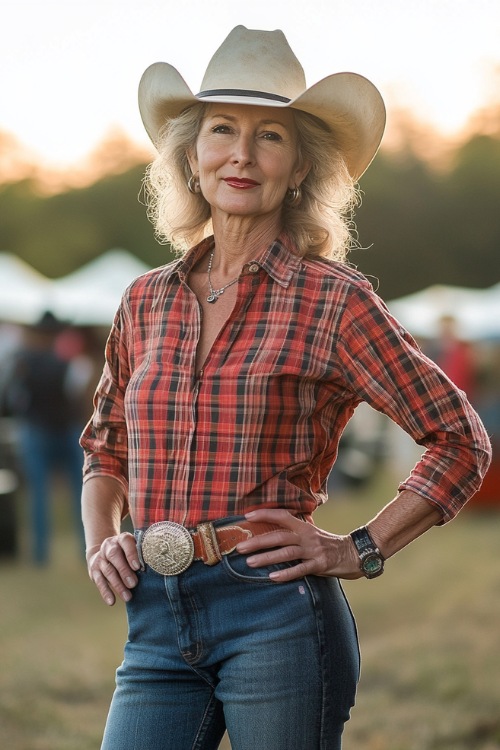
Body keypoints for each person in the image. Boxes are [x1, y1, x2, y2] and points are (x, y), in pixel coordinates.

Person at [80, 26, 491, 750]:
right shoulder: (144, 299)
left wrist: (359, 547)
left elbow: (459, 440)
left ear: (299, 169)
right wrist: (99, 540)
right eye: (221, 131)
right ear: (192, 157)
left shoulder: (336, 302)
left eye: (269, 136)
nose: (241, 154)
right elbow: (105, 445)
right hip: (152, 618)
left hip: (276, 618)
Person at [3, 311, 85, 563]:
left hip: (50, 428)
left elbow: (11, 398)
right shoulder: (62, 360)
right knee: (70, 493)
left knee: (73, 493)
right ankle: (51, 553)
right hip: (49, 428)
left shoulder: (24, 359)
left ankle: (55, 553)